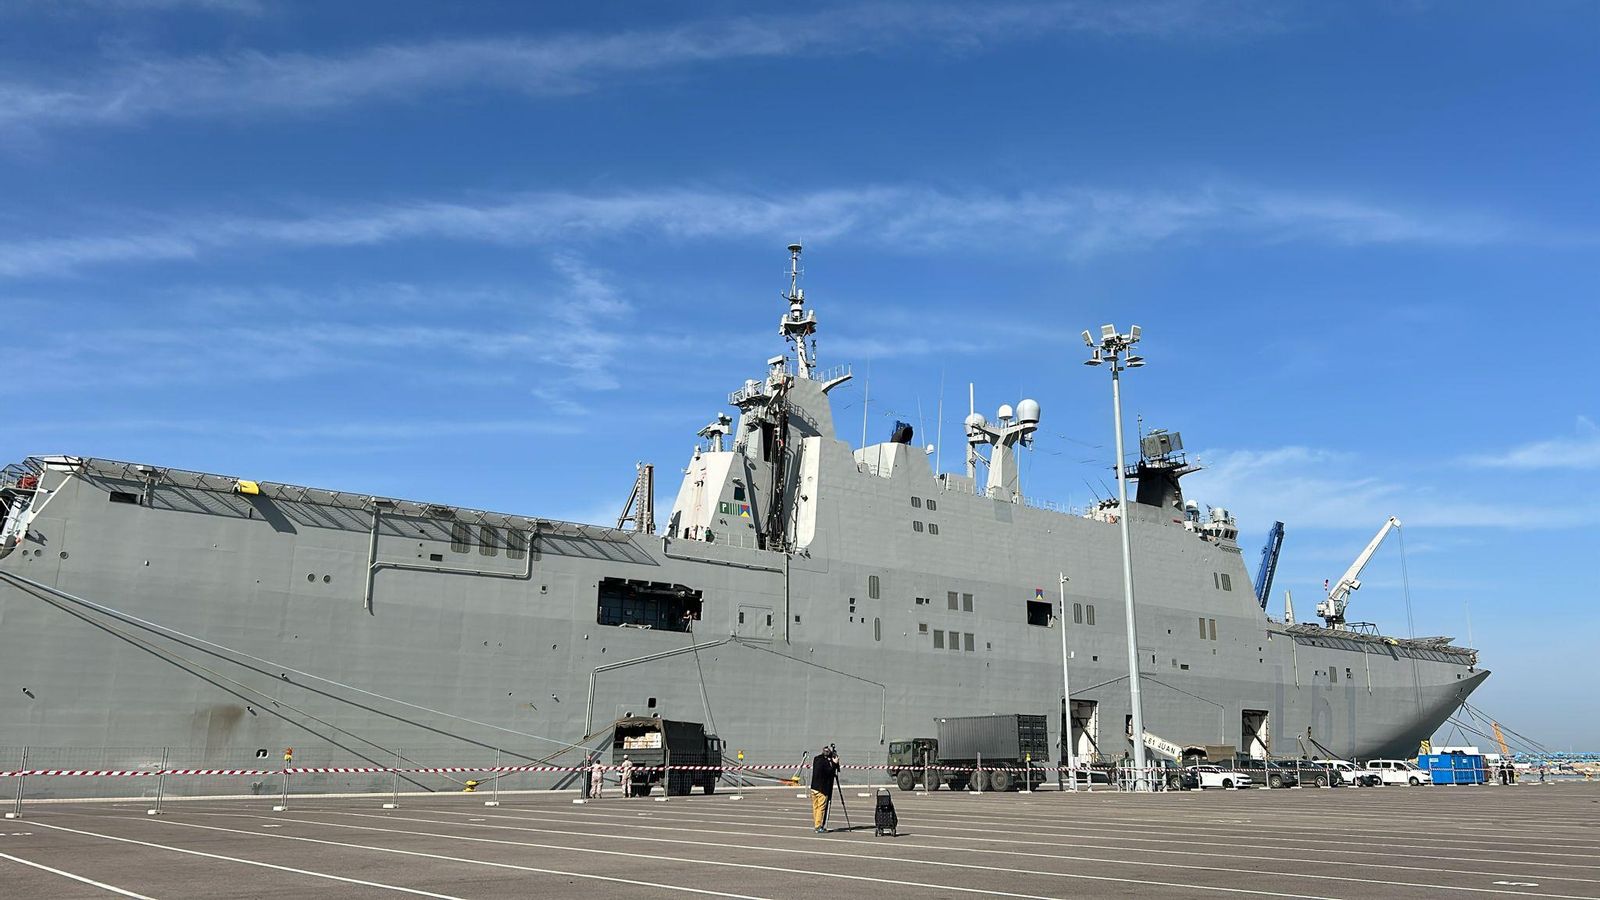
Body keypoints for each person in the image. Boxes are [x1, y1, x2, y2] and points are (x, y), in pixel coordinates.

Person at [810, 744, 840, 833]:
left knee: (815, 807)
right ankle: (818, 826)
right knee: (821, 808)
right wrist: (835, 763)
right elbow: (829, 771)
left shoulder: (816, 759)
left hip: (813, 787)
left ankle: (816, 824)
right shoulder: (825, 762)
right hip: (822, 789)